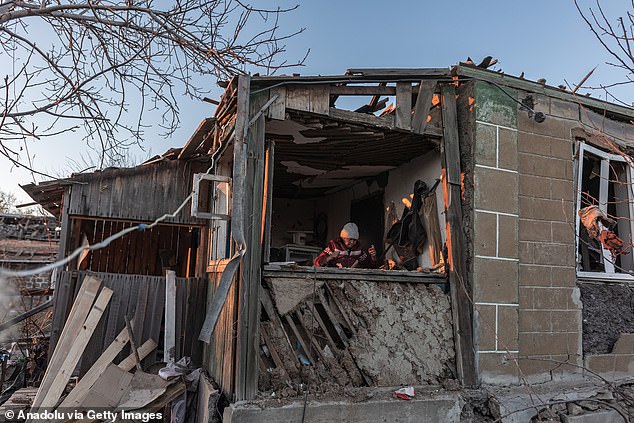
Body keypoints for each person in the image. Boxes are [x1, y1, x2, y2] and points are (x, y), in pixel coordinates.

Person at [314, 222, 378, 268]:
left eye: (354, 240)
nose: (352, 242)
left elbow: (371, 267)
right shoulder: (333, 246)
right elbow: (317, 263)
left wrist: (373, 257)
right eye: (350, 239)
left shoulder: (359, 249)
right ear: (343, 238)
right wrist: (330, 257)